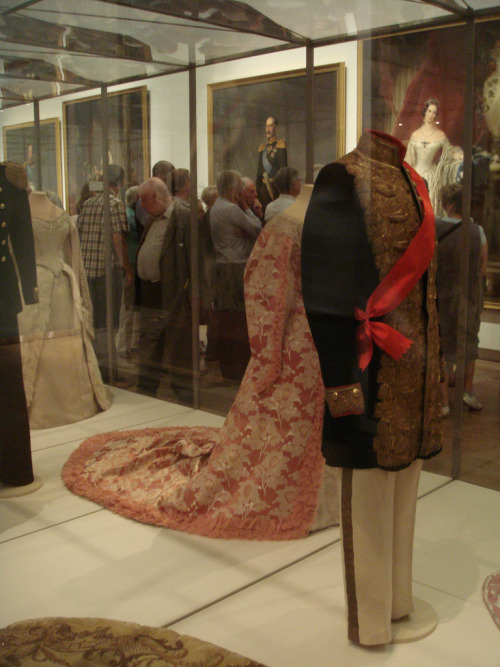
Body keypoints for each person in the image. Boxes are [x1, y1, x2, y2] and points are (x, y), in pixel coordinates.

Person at [63, 185, 338, 540]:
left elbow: (265, 290)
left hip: (307, 337)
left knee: (303, 417)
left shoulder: (296, 225)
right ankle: (308, 496)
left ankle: (314, 492)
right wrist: (269, 356)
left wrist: (266, 354)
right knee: (291, 419)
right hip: (305, 339)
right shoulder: (296, 226)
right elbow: (265, 288)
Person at [302, 129, 443, 646]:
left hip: (414, 373)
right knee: (367, 499)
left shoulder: (413, 179)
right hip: (366, 370)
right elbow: (321, 289)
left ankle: (398, 602)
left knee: (405, 495)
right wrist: (341, 384)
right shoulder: (342, 177)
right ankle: (373, 622)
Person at [18, 191, 112, 428]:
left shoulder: (22, 215)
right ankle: (75, 404)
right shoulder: (61, 216)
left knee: (42, 342)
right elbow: (74, 259)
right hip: (62, 282)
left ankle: (40, 409)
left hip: (31, 284)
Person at [0, 162, 39, 492]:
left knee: (8, 388)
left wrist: (31, 289)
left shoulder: (7, 179)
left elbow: (23, 237)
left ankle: (13, 470)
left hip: (1, 298)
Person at [77, 164, 133, 384]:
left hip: (87, 272)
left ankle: (95, 370)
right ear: (119, 184)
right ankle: (108, 372)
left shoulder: (88, 204)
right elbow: (117, 240)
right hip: (106, 273)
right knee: (109, 326)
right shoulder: (115, 204)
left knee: (94, 323)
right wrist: (128, 269)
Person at [436, 183, 487, 414]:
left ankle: (444, 402)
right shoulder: (478, 231)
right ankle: (467, 391)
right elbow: (482, 268)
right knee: (468, 343)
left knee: (441, 347)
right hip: (469, 296)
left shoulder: (435, 226)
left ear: (448, 204)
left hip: (442, 295)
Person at [209, 170, 262, 381]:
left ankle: (229, 365)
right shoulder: (231, 209)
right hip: (235, 267)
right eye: (239, 188)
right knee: (238, 320)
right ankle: (237, 366)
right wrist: (248, 208)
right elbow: (256, 229)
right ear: (232, 189)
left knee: (229, 319)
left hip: (224, 266)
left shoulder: (216, 207)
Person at [135, 177, 172, 395]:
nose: (142, 206)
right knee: (148, 339)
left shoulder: (178, 217)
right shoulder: (153, 218)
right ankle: (146, 387)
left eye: (145, 200)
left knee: (166, 340)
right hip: (148, 290)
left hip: (165, 290)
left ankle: (179, 389)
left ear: (157, 197)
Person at [405, 98, 463, 216]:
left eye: (434, 112)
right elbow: (409, 158)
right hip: (415, 174)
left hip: (431, 177)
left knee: (429, 208)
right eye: (429, 111)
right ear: (425, 112)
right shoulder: (415, 135)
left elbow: (449, 151)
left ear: (436, 115)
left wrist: (460, 156)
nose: (431, 115)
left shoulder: (440, 135)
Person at [116, 185, 140, 358]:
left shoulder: (132, 214)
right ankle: (125, 345)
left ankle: (131, 343)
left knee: (132, 307)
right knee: (129, 307)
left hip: (133, 263)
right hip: (130, 263)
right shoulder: (129, 215)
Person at [256, 116, 287, 212]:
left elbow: (283, 171)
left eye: (270, 126)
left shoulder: (280, 145)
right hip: (263, 190)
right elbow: (259, 172)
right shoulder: (262, 148)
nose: (268, 129)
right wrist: (257, 192)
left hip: (275, 189)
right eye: (266, 126)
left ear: (275, 127)